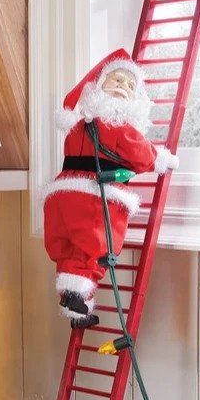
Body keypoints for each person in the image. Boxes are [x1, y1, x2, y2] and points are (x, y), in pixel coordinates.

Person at [44, 48, 179, 328]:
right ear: (99, 85)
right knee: (98, 247)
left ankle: (75, 305)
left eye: (130, 85)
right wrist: (162, 160)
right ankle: (78, 296)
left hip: (61, 197)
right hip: (94, 197)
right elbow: (141, 153)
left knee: (70, 249)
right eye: (116, 79)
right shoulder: (118, 126)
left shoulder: (77, 126)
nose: (123, 86)